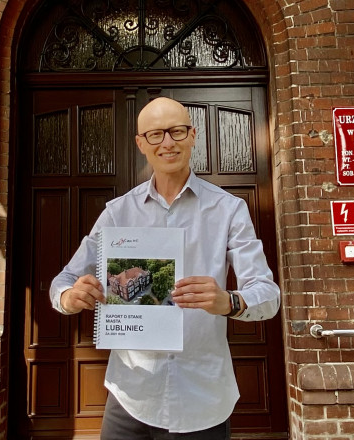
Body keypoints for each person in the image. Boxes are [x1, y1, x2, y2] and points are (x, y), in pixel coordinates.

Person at [49, 97, 280, 439]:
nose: (168, 142)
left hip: (202, 398)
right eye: (156, 134)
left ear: (193, 135)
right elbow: (64, 281)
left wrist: (230, 302)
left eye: (177, 131)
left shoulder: (229, 210)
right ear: (141, 143)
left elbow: (268, 295)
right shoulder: (118, 213)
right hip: (130, 395)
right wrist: (70, 297)